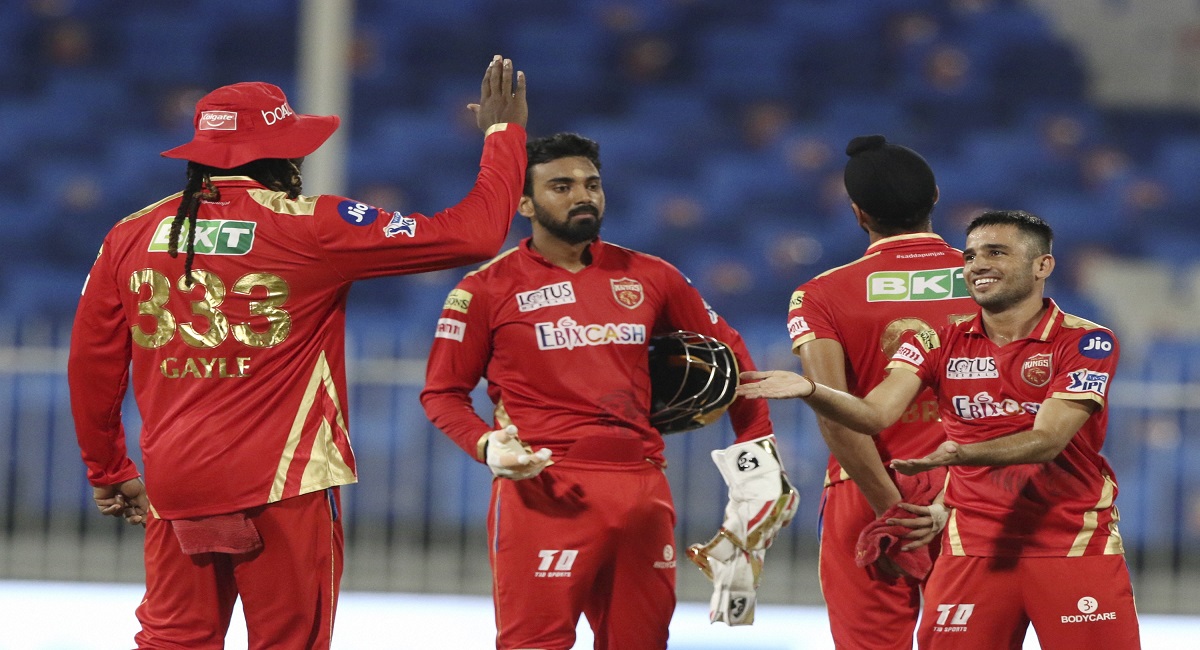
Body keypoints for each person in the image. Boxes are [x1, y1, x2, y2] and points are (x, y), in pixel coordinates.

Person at [68, 56, 528, 649]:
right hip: (284, 481)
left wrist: (107, 469)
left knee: (174, 641)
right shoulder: (311, 225)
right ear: (281, 156)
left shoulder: (130, 234)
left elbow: (92, 362)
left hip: (176, 481)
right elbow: (476, 233)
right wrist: (503, 135)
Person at [420, 132, 795, 649]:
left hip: (643, 488)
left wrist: (756, 457)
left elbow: (732, 358)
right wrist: (486, 445)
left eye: (591, 184)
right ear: (524, 203)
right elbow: (441, 393)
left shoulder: (652, 276)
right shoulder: (483, 290)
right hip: (545, 489)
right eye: (561, 187)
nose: (583, 196)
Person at [739, 210, 1141, 649]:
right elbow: (874, 414)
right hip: (968, 551)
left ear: (1042, 265)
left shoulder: (1086, 341)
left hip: (1072, 543)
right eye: (970, 256)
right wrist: (812, 389)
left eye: (996, 253)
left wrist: (961, 454)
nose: (978, 265)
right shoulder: (934, 340)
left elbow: (1047, 441)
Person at [787, 134, 976, 648]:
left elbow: (834, 410)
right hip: (970, 490)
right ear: (935, 196)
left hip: (865, 488)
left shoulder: (820, 295)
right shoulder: (991, 281)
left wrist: (891, 510)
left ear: (858, 213)